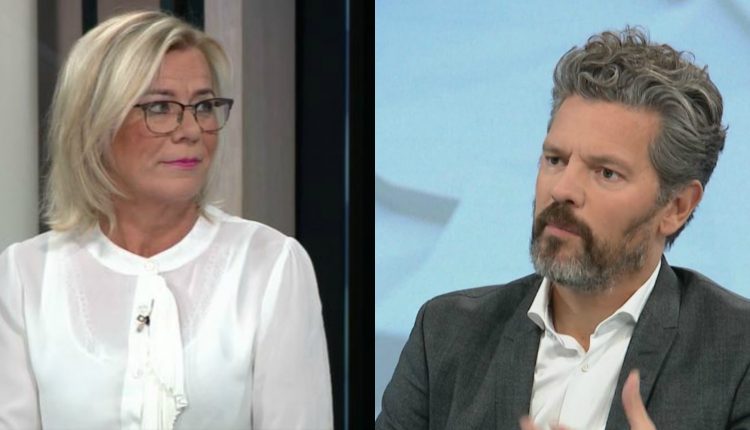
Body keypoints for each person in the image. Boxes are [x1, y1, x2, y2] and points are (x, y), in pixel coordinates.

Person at [376, 27, 750, 429]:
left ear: (676, 207)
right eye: (555, 160)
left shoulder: (738, 353)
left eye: (606, 172)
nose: (562, 190)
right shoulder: (445, 333)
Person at [0, 10, 333, 430]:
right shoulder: (26, 275)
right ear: (96, 122)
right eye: (160, 107)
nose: (191, 130)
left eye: (204, 106)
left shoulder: (271, 265)